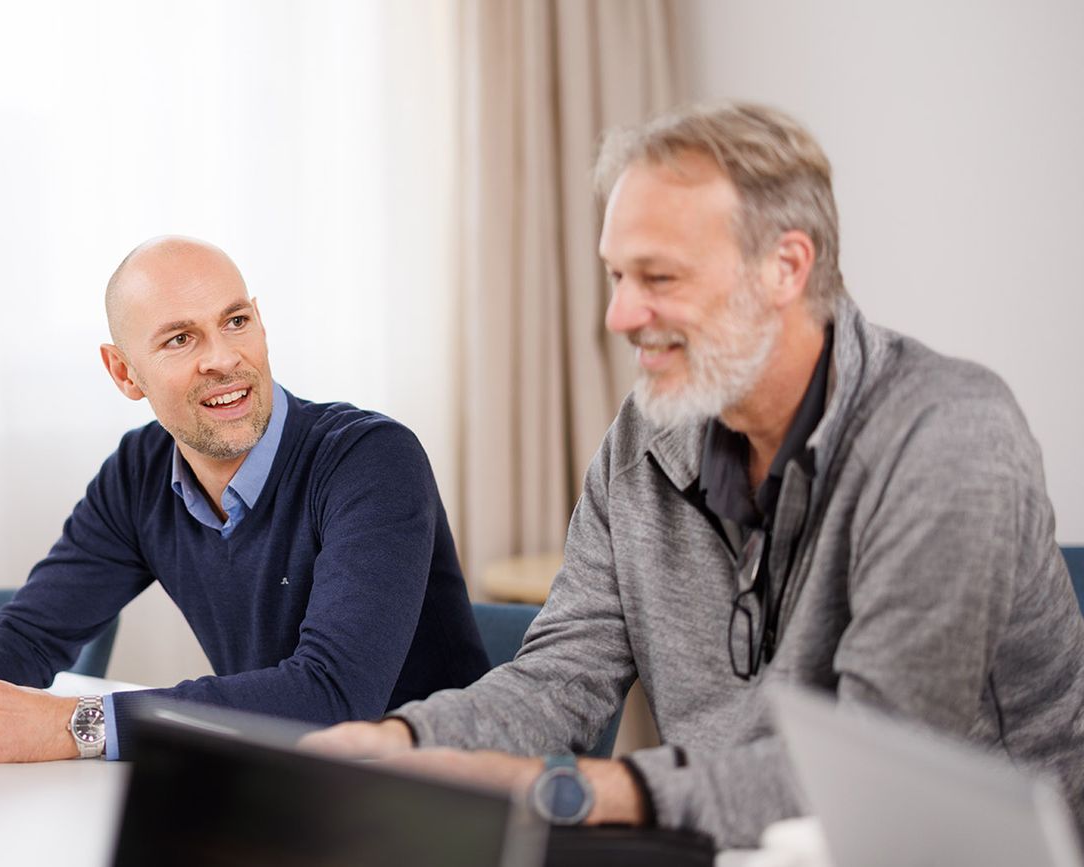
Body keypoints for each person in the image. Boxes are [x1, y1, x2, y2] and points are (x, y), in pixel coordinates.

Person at [307, 102, 1084, 848]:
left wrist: (588, 791)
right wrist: (402, 739)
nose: (618, 315)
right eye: (616, 276)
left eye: (659, 277)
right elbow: (561, 677)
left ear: (785, 266)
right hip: (726, 843)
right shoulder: (644, 437)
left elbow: (873, 774)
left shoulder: (950, 436)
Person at [0, 235, 489, 764]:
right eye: (179, 340)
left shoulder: (371, 459)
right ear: (123, 373)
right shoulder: (139, 472)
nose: (223, 360)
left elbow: (330, 695)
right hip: (279, 788)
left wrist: (66, 725)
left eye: (235, 321)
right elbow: (33, 632)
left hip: (431, 799)